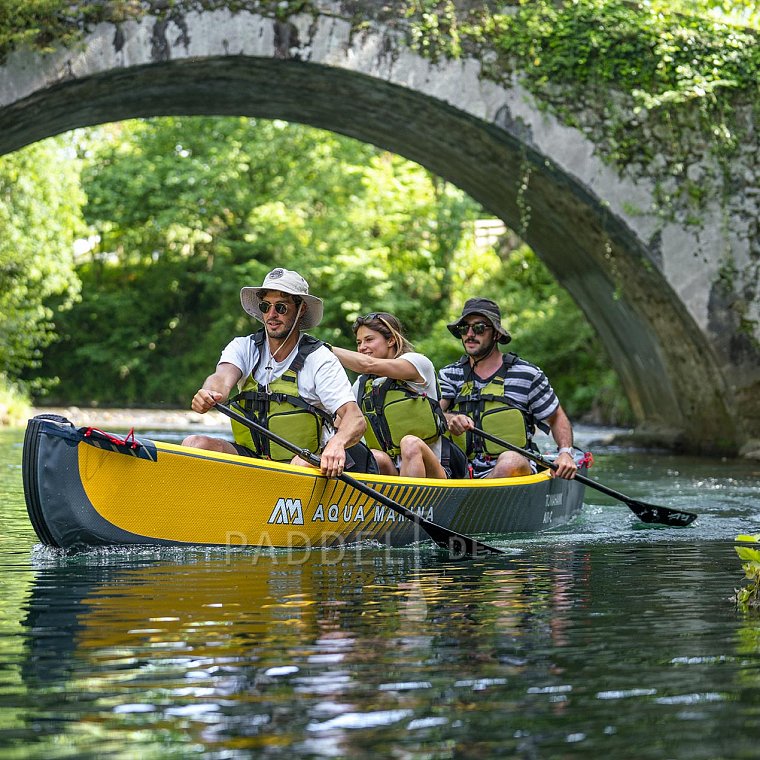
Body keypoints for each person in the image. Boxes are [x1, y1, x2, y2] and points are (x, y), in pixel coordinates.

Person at [182, 267, 371, 478]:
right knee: (194, 444)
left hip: (304, 461)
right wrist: (209, 393)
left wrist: (337, 444)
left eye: (281, 307)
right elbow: (220, 378)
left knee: (300, 464)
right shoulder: (244, 347)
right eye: (265, 306)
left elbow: (355, 420)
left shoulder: (319, 359)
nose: (271, 315)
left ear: (301, 310)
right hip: (254, 460)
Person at [438, 297, 578, 480]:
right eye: (464, 328)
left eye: (479, 328)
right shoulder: (449, 374)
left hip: (513, 467)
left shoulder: (527, 374)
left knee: (509, 461)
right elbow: (434, 414)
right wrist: (451, 418)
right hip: (460, 469)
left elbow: (556, 417)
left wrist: (565, 453)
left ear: (496, 334)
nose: (470, 334)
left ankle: (475, 501)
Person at [332, 312, 461, 479]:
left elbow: (367, 365)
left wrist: (325, 349)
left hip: (435, 474)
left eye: (369, 340)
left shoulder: (417, 364)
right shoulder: (362, 385)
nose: (362, 347)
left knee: (410, 443)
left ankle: (411, 504)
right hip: (394, 474)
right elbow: (338, 424)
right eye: (359, 342)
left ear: (391, 340)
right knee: (375, 456)